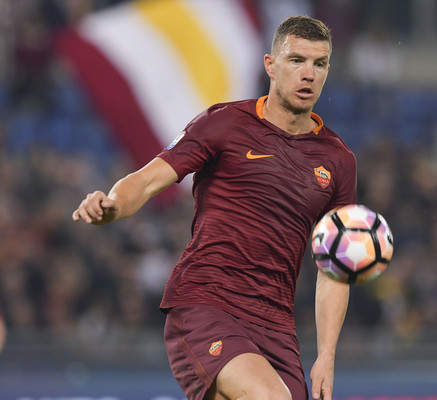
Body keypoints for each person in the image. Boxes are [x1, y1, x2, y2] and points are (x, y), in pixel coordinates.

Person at [73, 15, 356, 400]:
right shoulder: (224, 123)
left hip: (277, 326)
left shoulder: (338, 160)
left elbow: (334, 269)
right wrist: (113, 205)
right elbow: (147, 179)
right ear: (271, 65)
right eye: (296, 60)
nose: (308, 73)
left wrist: (326, 355)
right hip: (206, 302)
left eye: (319, 64)